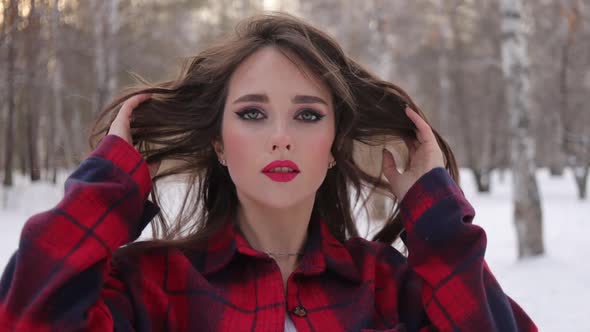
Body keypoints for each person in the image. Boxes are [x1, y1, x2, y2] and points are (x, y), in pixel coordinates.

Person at [0, 13, 536, 332]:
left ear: (333, 146)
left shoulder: (388, 288)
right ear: (219, 144)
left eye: (308, 114)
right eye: (252, 113)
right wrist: (106, 188)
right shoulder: (149, 286)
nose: (282, 135)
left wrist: (438, 225)